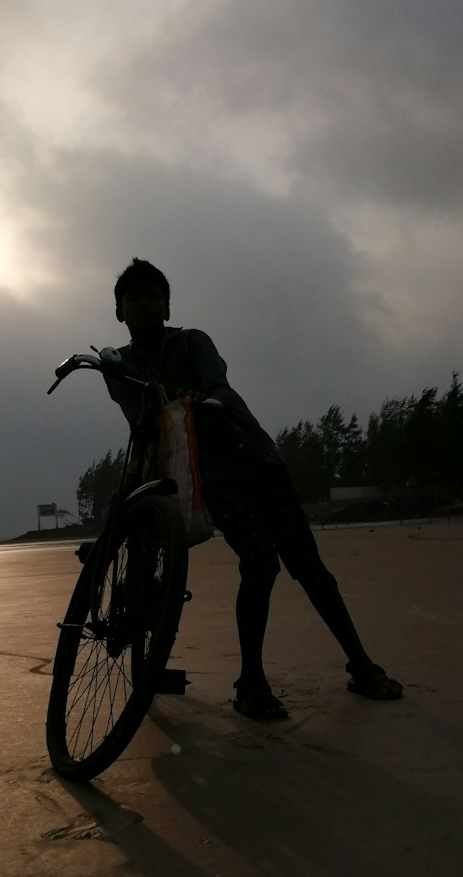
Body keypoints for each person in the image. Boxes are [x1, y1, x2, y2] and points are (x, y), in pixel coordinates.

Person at [103, 257, 402, 721]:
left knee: (309, 567)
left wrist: (208, 404)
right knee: (261, 562)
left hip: (257, 460)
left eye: (153, 295)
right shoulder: (119, 365)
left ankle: (361, 665)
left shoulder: (192, 341)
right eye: (133, 297)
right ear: (119, 311)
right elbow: (138, 418)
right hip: (210, 477)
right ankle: (253, 681)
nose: (144, 303)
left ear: (166, 305)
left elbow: (220, 386)